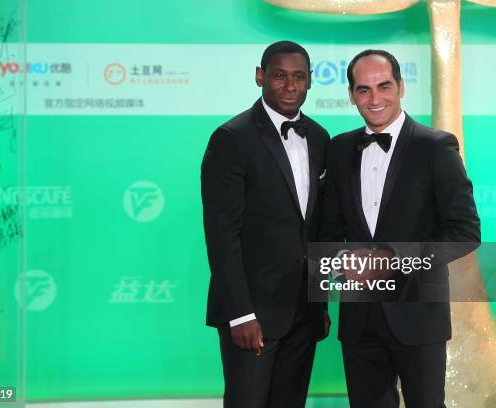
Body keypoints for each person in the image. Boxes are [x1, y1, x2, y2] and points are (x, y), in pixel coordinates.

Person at [319, 49, 480, 408]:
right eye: (363, 89)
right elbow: (328, 231)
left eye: (384, 86)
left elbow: (466, 232)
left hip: (418, 316)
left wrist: (393, 260)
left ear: (402, 87)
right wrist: (344, 261)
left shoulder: (435, 146)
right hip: (359, 317)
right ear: (350, 94)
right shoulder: (340, 149)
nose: (374, 99)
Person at [201, 41, 331, 408]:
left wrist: (319, 305)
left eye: (299, 77)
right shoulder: (232, 138)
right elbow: (222, 235)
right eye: (279, 76)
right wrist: (240, 314)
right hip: (252, 317)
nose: (290, 86)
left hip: (304, 316)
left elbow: (316, 229)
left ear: (309, 82)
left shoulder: (320, 138)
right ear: (260, 77)